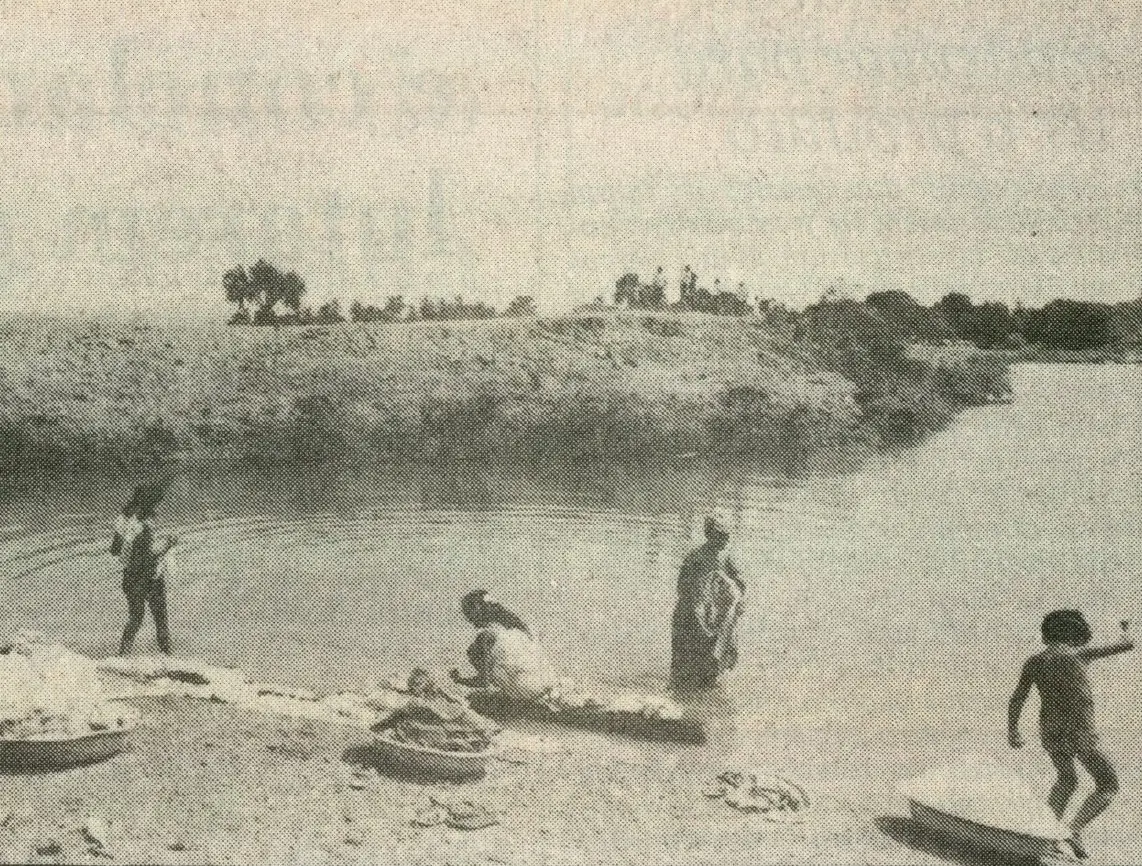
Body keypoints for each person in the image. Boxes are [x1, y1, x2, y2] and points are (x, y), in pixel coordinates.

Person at [1008, 610, 1134, 861]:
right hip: (1080, 731)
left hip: (1050, 731)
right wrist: (1125, 628)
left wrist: (1013, 729)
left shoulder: (1034, 662)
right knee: (1108, 784)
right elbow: (1127, 645)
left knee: (1067, 780)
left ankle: (1044, 835)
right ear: (1076, 634)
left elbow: (1018, 697)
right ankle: (1073, 830)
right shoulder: (1080, 654)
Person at [671, 516, 745, 691]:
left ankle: (704, 699)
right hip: (691, 612)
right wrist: (698, 610)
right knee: (683, 663)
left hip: (712, 614)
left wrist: (739, 598)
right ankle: (684, 699)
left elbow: (740, 581)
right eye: (720, 536)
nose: (725, 540)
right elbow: (683, 587)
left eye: (726, 536)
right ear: (709, 536)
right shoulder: (695, 557)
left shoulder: (725, 556)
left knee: (713, 659)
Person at [450, 590, 558, 700]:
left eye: (467, 612)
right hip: (550, 683)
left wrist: (459, 680)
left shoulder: (485, 638)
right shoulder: (522, 629)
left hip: (526, 693)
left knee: (473, 698)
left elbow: (484, 681)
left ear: (474, 612)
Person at [111, 483, 177, 656]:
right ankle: (168, 656)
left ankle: (122, 656)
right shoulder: (144, 526)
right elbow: (148, 558)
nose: (157, 509)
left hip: (130, 578)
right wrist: (167, 545)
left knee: (135, 618)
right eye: (155, 504)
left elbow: (115, 550)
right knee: (161, 619)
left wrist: (130, 545)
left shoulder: (124, 520)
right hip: (149, 578)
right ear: (148, 505)